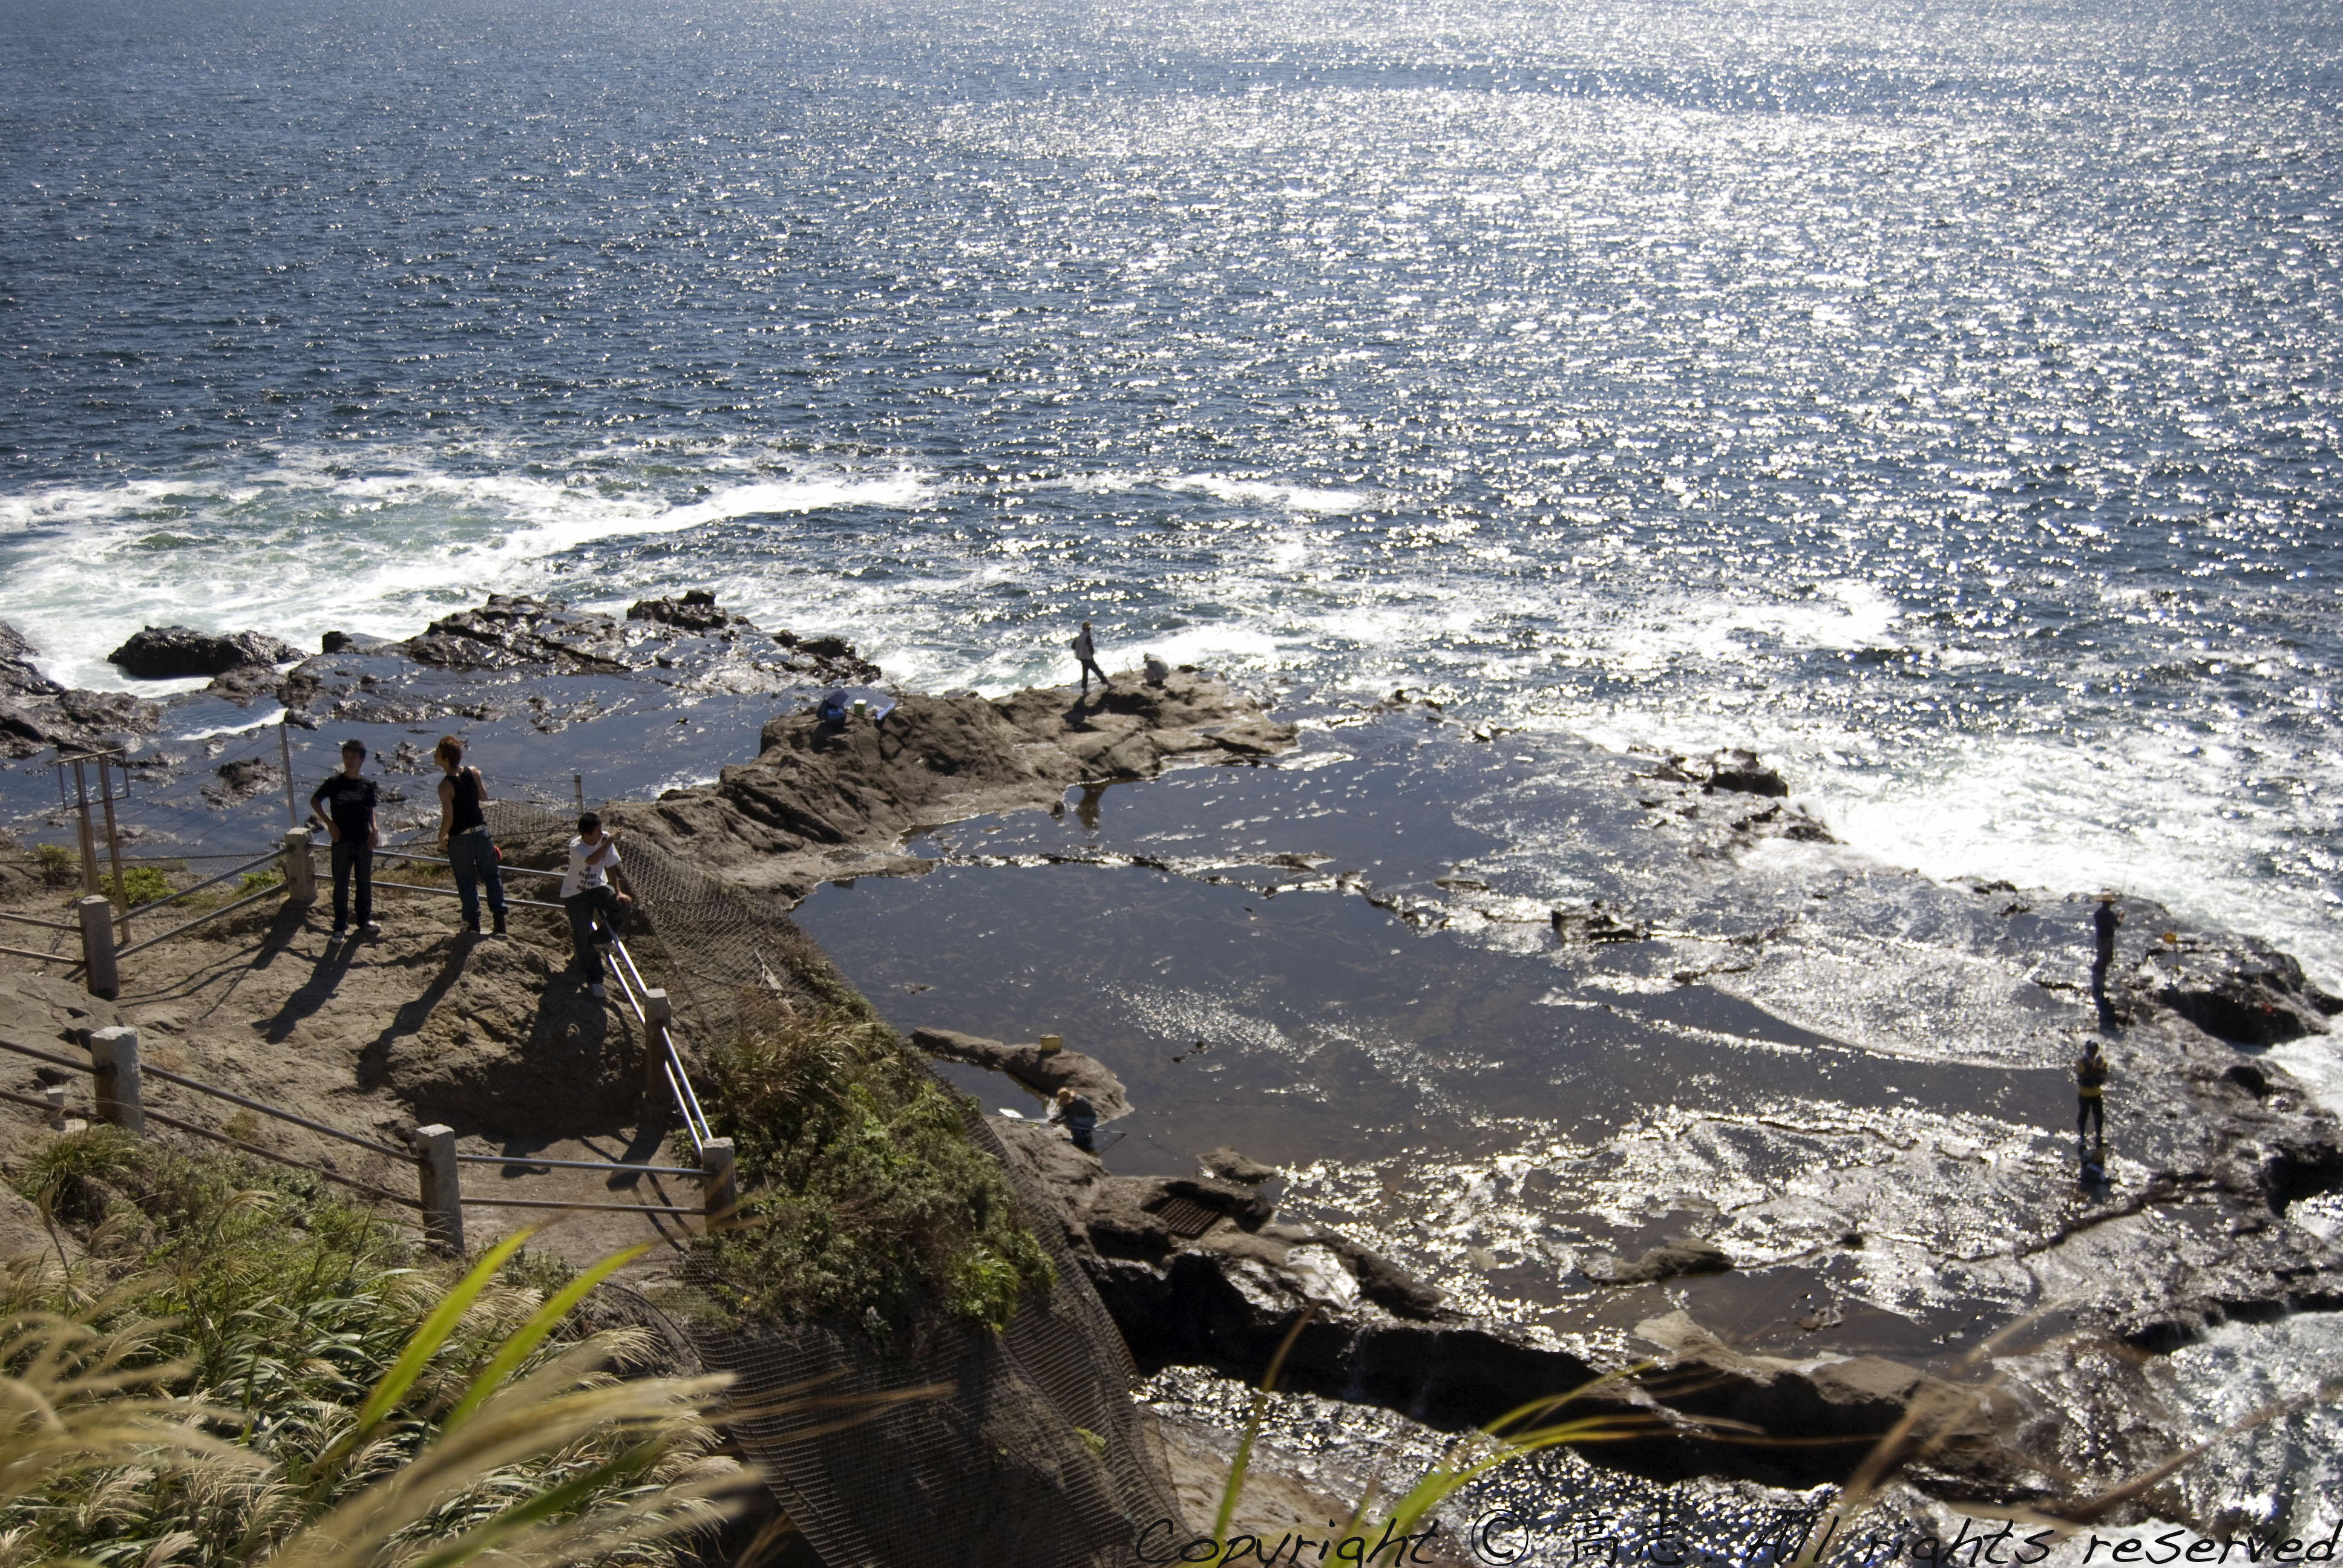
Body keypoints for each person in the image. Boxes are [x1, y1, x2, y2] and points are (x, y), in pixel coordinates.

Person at [434, 736, 505, 938]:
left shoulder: (445, 786)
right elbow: (483, 797)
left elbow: (449, 818)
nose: (434, 755)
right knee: (491, 875)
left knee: (466, 880)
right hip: (481, 833)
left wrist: (441, 838)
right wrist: (479, 778)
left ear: (446, 758)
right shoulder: (472, 772)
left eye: (438, 753)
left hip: (461, 838)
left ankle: (474, 924)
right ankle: (499, 921)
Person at [310, 739, 381, 940]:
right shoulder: (334, 783)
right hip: (341, 840)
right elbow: (315, 801)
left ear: (362, 759)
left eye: (354, 757)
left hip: (363, 840)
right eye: (346, 756)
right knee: (341, 884)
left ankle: (364, 920)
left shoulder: (367, 785)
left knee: (364, 882)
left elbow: (370, 811)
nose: (349, 760)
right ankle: (340, 926)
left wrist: (375, 828)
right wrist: (329, 823)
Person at [560, 811, 631, 999]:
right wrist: (610, 842)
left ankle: (601, 938)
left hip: (597, 888)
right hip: (576, 894)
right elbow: (593, 860)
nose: (602, 832)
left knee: (622, 905)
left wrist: (618, 891)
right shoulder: (577, 846)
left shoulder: (604, 839)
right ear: (587, 834)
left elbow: (610, 866)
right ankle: (595, 980)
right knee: (582, 935)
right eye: (598, 830)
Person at [2075, 1039, 2109, 1149]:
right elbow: (2081, 1076)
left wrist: (2103, 1071)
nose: (2095, 1051)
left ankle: (2099, 1136)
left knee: (2099, 1116)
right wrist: (2095, 1070)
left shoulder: (2099, 1060)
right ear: (2088, 1049)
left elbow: (2104, 1073)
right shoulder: (2081, 1061)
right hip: (2084, 1094)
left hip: (2096, 1093)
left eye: (2096, 1048)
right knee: (2083, 1115)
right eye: (2093, 1049)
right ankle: (2082, 1136)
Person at [2090, 895, 2123, 999]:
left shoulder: (2098, 913)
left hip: (2100, 938)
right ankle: (2099, 986)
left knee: (2103, 958)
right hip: (2107, 939)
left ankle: (2098, 982)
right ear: (2109, 904)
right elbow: (2118, 924)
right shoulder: (2109, 914)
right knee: (2104, 960)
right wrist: (2120, 916)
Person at [1048, 1086, 1098, 1153]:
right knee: (1070, 1122)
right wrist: (1054, 1119)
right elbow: (1062, 1112)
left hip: (1090, 1119)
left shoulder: (1078, 1102)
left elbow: (1070, 1117)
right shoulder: (1068, 1102)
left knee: (1070, 1123)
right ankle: (1085, 1133)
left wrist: (1057, 1123)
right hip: (1081, 1118)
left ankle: (1079, 1141)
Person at [1070, 621, 1107, 694]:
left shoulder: (1079, 637)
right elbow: (1090, 647)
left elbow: (1073, 646)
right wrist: (1091, 653)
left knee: (1085, 673)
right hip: (1088, 657)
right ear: (1088, 629)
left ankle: (1084, 690)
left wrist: (1080, 650)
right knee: (1097, 671)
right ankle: (1107, 684)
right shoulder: (1087, 636)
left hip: (1081, 658)